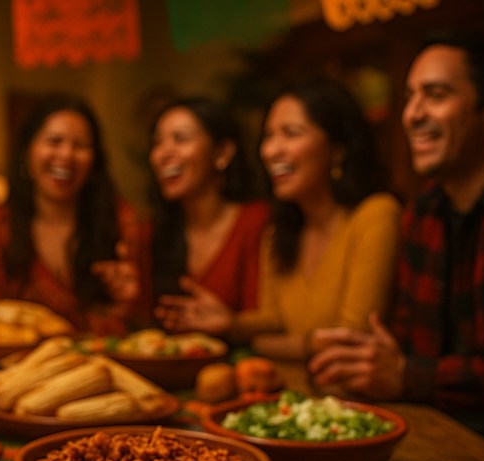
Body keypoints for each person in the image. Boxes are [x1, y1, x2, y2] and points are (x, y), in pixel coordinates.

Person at [309, 31, 484, 461]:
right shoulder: (424, 209)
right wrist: (365, 362)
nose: (412, 114)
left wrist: (408, 375)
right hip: (440, 446)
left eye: (436, 95)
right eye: (409, 97)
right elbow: (404, 343)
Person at [157, 81, 400, 360]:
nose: (271, 151)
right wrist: (232, 324)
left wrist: (280, 343)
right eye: (268, 136)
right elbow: (272, 321)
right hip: (286, 395)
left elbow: (350, 342)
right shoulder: (279, 231)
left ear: (338, 149)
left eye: (291, 133)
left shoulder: (375, 215)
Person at [0, 94, 142, 334]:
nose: (66, 155)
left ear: (95, 160)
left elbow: (144, 331)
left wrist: (127, 304)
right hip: (18, 367)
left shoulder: (121, 221)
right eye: (54, 141)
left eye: (80, 145)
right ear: (27, 151)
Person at [145, 97, 269, 329]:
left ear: (222, 152)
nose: (163, 153)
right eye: (157, 142)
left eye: (180, 139)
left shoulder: (255, 221)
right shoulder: (157, 230)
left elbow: (273, 319)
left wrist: (233, 325)